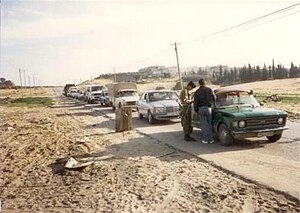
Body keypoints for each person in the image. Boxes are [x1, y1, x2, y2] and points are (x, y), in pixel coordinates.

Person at [193, 79, 215, 143]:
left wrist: (196, 110)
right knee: (209, 124)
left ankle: (204, 140)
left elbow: (195, 102)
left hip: (201, 109)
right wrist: (212, 103)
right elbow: (214, 98)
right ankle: (211, 139)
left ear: (199, 84)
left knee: (203, 125)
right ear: (205, 83)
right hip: (208, 108)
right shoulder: (209, 89)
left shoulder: (197, 92)